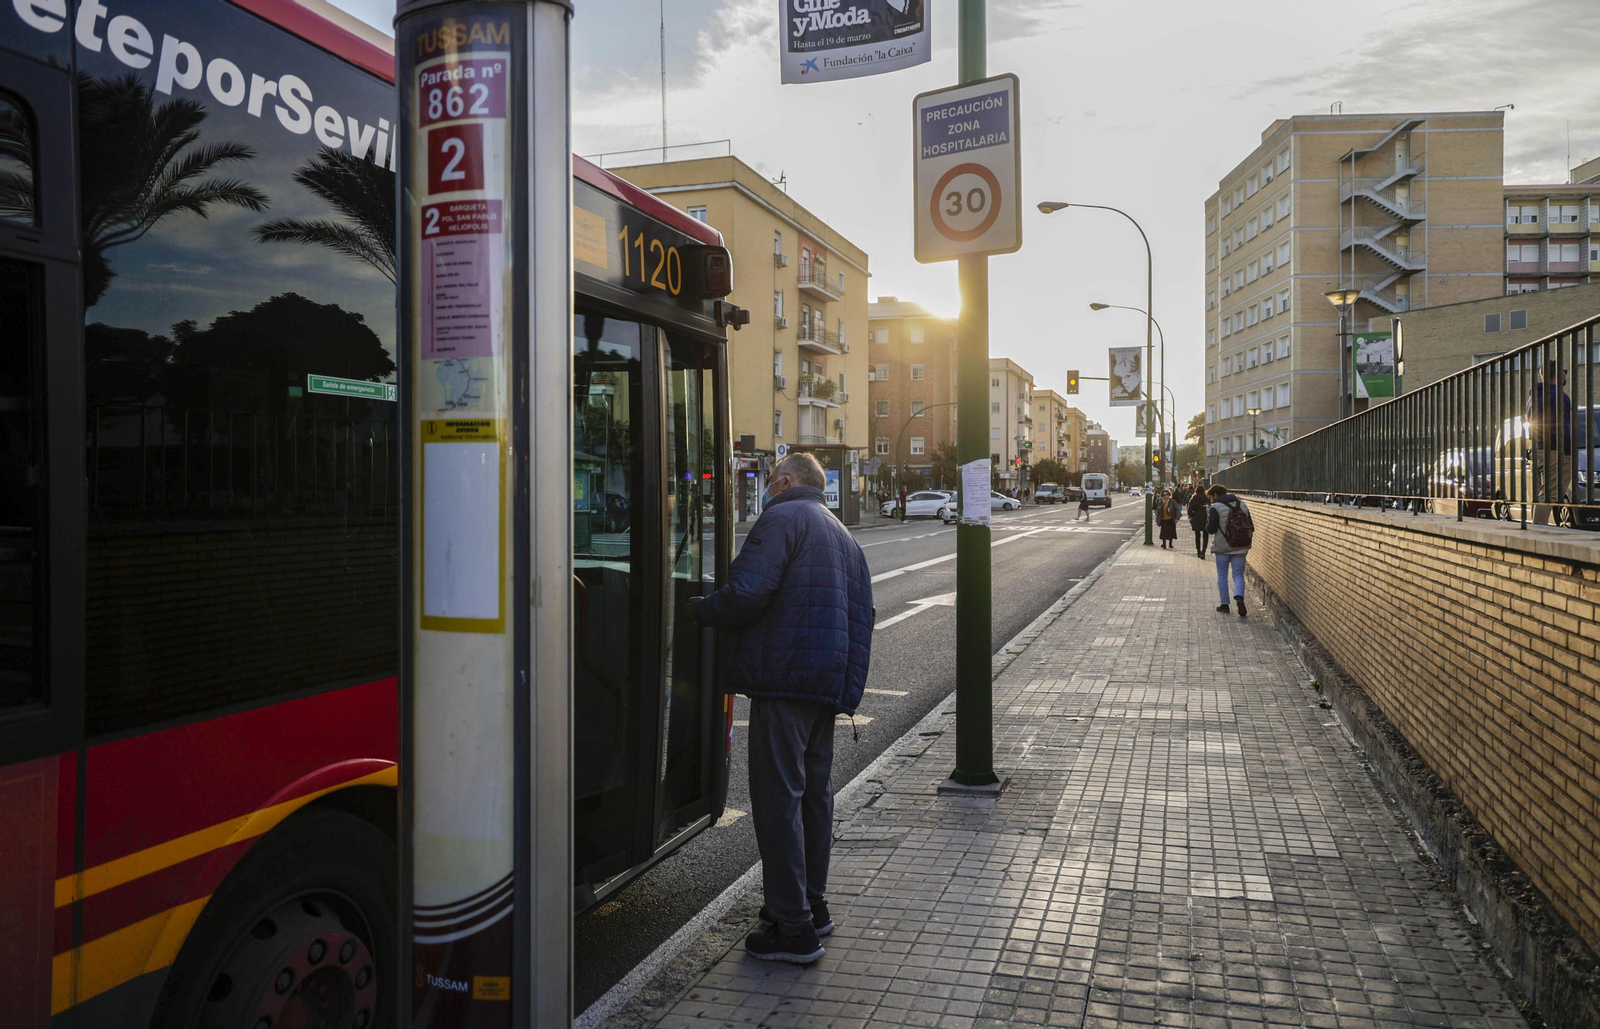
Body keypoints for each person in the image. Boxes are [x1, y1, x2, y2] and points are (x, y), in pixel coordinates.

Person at [690, 452, 874, 965]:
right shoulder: (841, 532)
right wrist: (847, 685)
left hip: (785, 680)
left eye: (770, 480)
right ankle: (812, 907)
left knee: (777, 803)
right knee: (815, 797)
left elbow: (748, 592)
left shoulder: (781, 518)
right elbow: (864, 614)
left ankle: (792, 929)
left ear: (786, 481)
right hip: (825, 686)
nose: (766, 489)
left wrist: (700, 611)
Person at [1206, 483, 1252, 616]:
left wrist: (1208, 516)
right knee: (1238, 574)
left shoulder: (1216, 507)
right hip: (1241, 546)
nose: (1211, 500)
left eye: (1211, 497)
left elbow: (1211, 529)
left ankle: (1225, 604)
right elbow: (1250, 525)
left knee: (1222, 575)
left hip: (1223, 547)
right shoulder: (1242, 504)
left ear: (1215, 495)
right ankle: (1239, 597)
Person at [1186, 487, 1211, 558]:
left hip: (1196, 519)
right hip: (1205, 519)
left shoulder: (1193, 499)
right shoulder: (1207, 499)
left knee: (1197, 535)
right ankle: (1204, 550)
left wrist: (1192, 516)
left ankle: (1198, 551)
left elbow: (1190, 510)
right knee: (1205, 535)